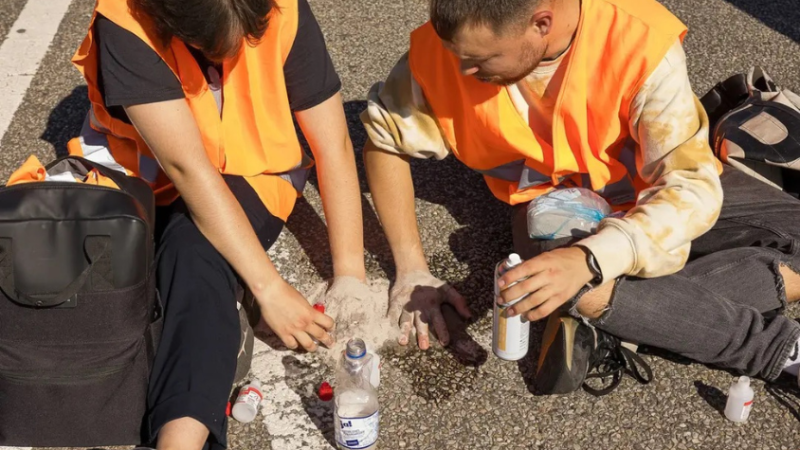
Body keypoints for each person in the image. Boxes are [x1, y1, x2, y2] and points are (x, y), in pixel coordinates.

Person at [361, 0, 800, 396]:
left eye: (480, 62)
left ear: (542, 23)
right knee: (573, 286)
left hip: (649, 193)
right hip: (556, 209)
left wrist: (591, 260)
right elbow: (384, 142)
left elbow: (689, 187)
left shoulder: (638, 40)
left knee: (581, 283)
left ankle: (629, 314)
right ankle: (773, 349)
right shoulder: (454, 43)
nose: (462, 71)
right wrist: (412, 270)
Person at [67, 0, 367, 448]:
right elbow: (190, 171)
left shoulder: (283, 9)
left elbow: (333, 144)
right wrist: (269, 288)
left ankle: (180, 439)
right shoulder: (126, 23)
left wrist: (350, 274)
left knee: (194, 254)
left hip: (255, 172)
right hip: (146, 176)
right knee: (168, 272)